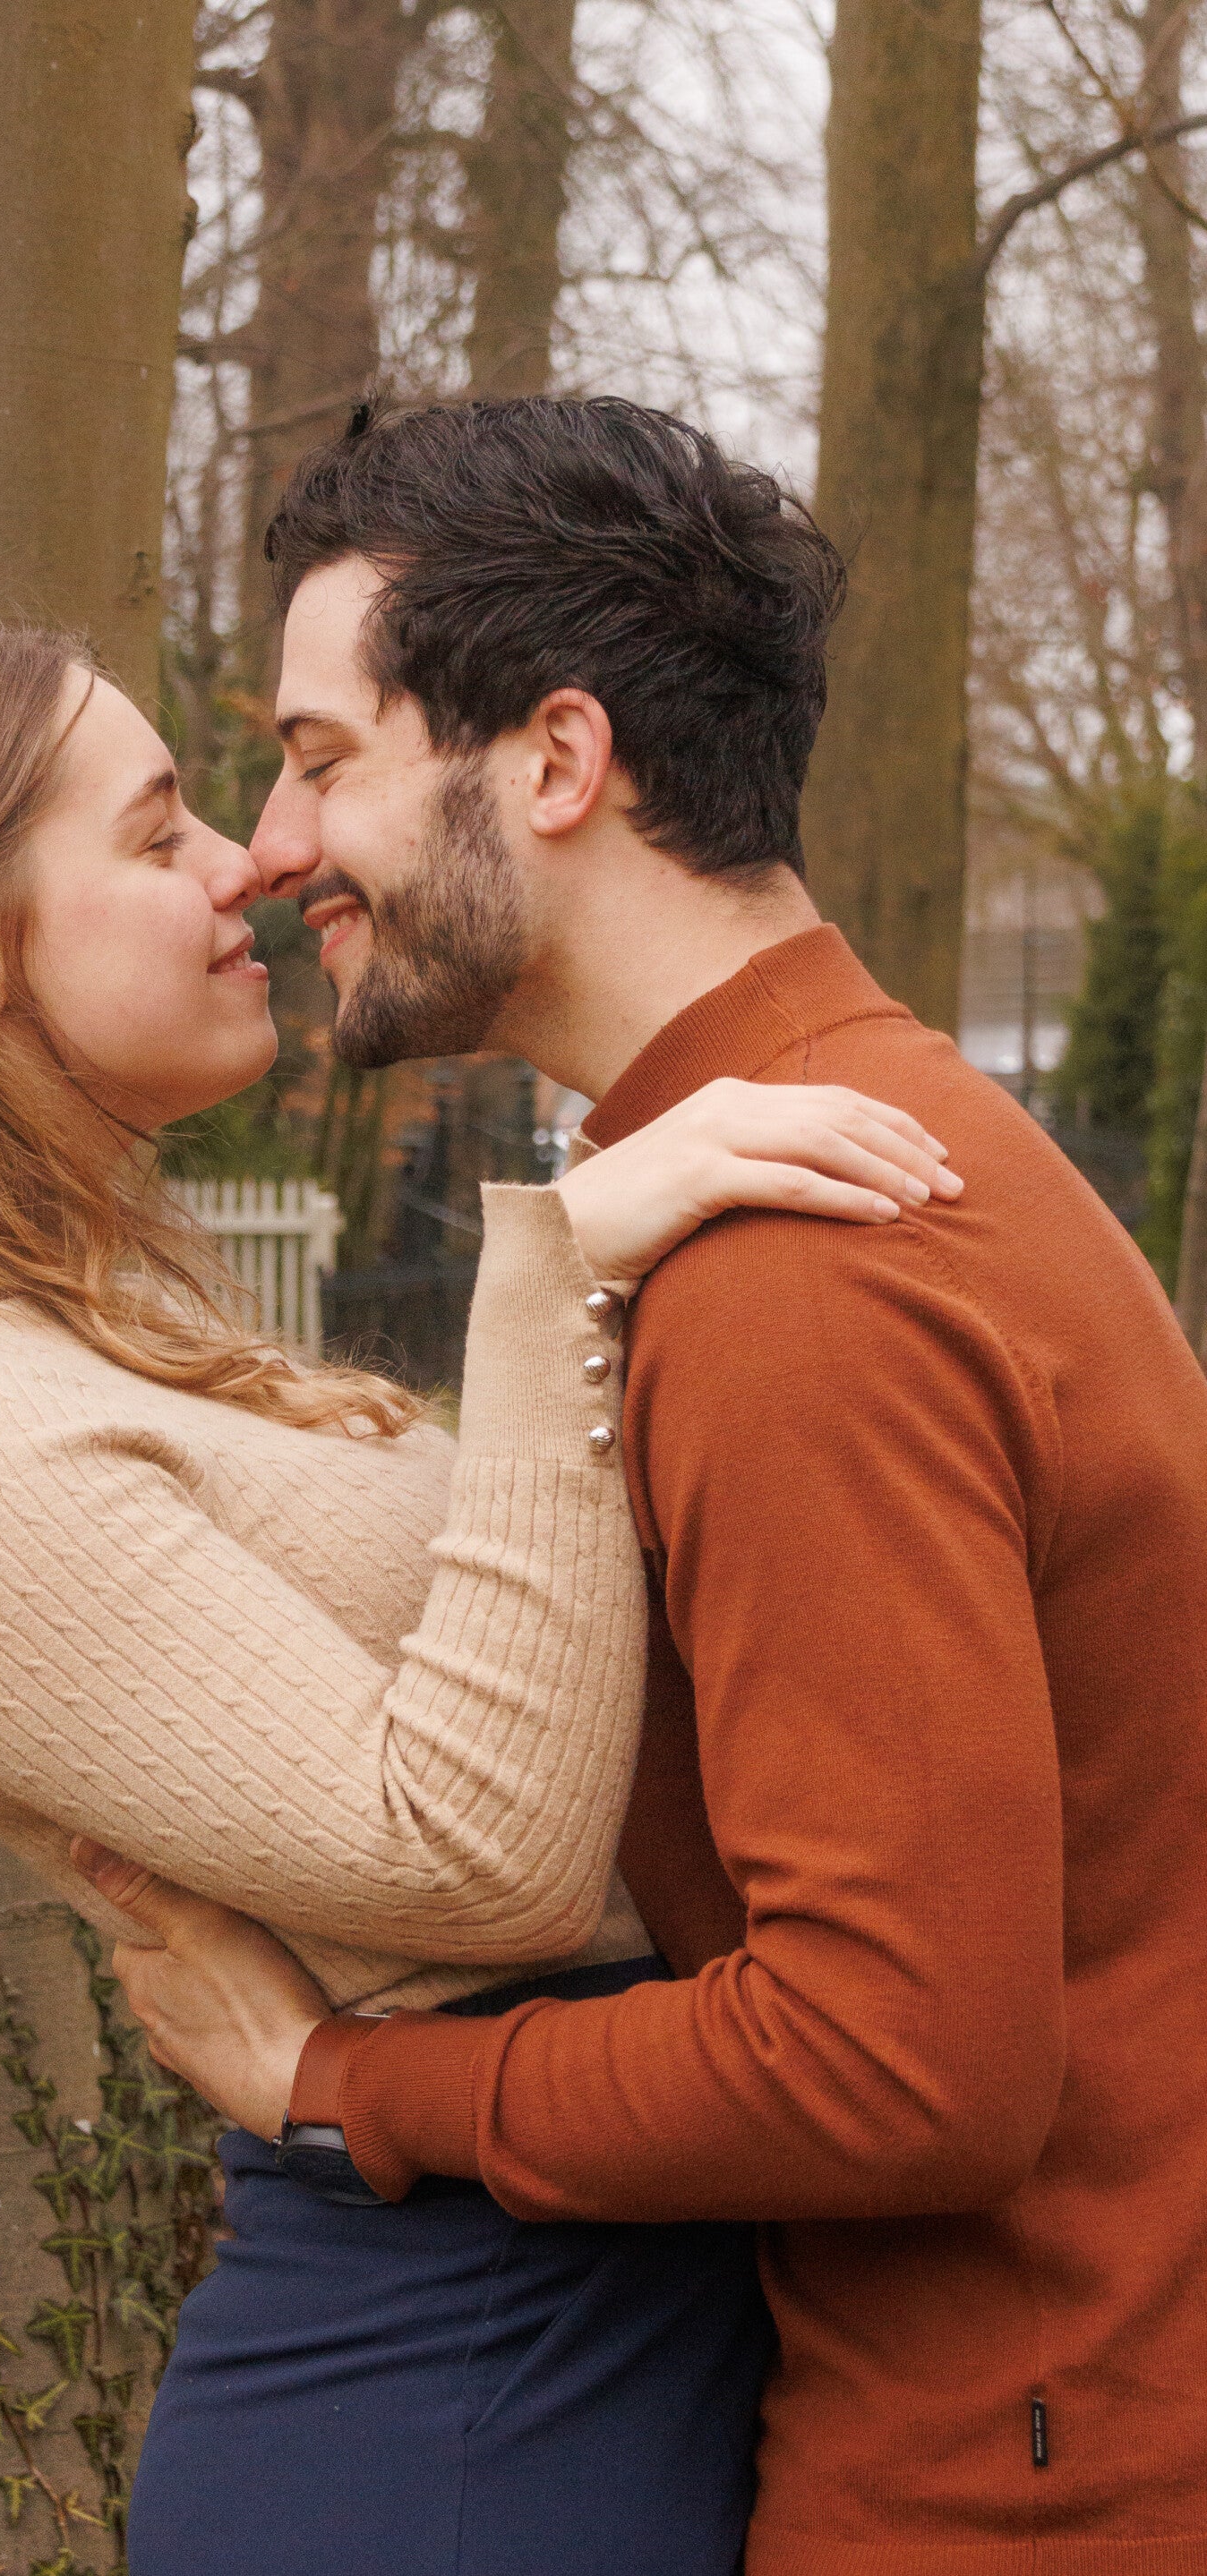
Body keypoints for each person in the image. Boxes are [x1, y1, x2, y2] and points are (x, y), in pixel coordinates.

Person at [0, 616, 957, 2576]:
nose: (250, 859)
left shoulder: (68, 1321)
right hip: (455, 2393)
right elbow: (473, 1859)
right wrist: (560, 1274)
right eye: (158, 835)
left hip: (588, 2294)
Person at [73, 395, 1207, 2576]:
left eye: (321, 756)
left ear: (556, 761)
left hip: (1007, 2494)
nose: (276, 845)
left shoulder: (802, 1270)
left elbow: (900, 2059)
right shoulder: (843, 1142)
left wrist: (342, 2086)